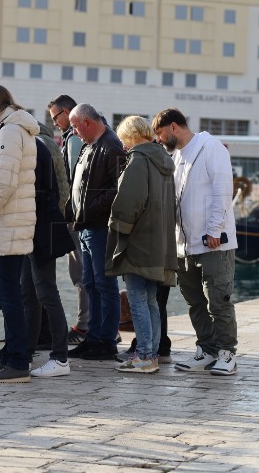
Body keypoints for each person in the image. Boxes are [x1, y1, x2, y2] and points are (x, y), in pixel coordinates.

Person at [152, 108, 239, 376]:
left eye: (160, 133)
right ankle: (207, 349)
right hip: (184, 244)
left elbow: (222, 189)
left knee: (218, 299)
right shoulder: (176, 155)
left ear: (174, 127)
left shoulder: (210, 147)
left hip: (214, 241)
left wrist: (214, 229)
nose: (158, 139)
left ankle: (227, 353)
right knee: (194, 301)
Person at [0, 84, 39, 384]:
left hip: (6, 224)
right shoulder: (13, 129)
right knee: (10, 293)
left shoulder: (10, 132)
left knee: (9, 295)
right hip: (12, 224)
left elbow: (4, 183)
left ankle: (17, 362)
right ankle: (14, 356)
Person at [106, 116, 177, 373]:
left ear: (131, 136)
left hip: (138, 241)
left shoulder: (138, 161)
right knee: (151, 301)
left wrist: (116, 230)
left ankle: (145, 356)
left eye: (124, 139)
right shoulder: (164, 162)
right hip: (159, 243)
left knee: (137, 299)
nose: (123, 145)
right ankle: (152, 354)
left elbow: (128, 204)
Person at [66, 103, 126, 361]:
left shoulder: (111, 145)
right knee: (90, 283)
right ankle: (93, 337)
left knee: (104, 284)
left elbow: (117, 188)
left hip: (99, 226)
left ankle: (107, 340)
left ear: (87, 122)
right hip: (86, 225)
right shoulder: (90, 144)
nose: (74, 132)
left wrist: (90, 208)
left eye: (75, 126)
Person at [22, 129, 75, 378]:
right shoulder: (42, 145)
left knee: (44, 291)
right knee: (31, 292)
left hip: (40, 229)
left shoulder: (35, 147)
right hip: (43, 227)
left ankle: (60, 357)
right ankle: (26, 351)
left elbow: (38, 192)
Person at [48, 94, 89, 345]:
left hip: (76, 216)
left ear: (67, 111)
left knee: (81, 273)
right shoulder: (76, 137)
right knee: (86, 273)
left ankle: (85, 326)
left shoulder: (73, 140)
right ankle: (92, 325)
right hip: (83, 216)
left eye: (55, 117)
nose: (54, 123)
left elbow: (74, 179)